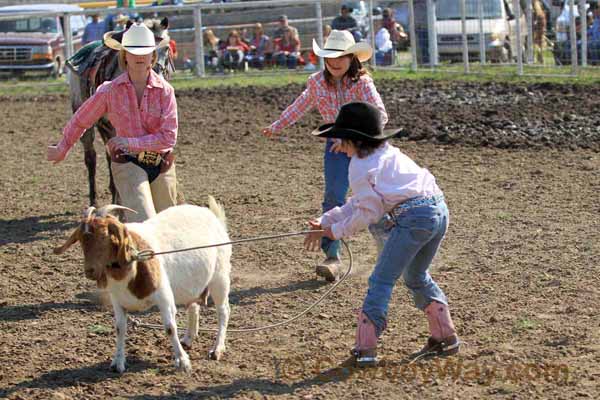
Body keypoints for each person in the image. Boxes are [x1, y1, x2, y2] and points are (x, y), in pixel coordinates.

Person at [304, 101, 460, 367]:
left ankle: (366, 348)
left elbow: (369, 213)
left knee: (381, 280)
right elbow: (362, 203)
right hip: (438, 210)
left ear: (353, 139)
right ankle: (445, 336)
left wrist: (334, 231)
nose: (335, 144)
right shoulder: (388, 155)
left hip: (414, 219)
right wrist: (327, 219)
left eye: (339, 138)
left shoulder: (359, 167)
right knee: (416, 275)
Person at [262, 30, 387, 282]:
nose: (336, 62)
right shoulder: (316, 82)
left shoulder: (362, 83)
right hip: (334, 146)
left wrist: (354, 138)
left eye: (342, 56)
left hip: (364, 144)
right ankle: (332, 257)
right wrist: (278, 125)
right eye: (331, 56)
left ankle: (388, 251)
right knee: (333, 196)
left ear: (352, 58)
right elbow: (301, 104)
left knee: (378, 195)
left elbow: (380, 115)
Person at [47, 23, 178, 223]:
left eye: (145, 52)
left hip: (160, 163)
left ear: (153, 56)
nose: (140, 57)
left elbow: (169, 137)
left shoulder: (165, 91)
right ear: (124, 56)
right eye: (134, 52)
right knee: (143, 221)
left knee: (169, 223)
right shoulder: (110, 90)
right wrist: (63, 146)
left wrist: (128, 143)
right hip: (128, 162)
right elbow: (81, 119)